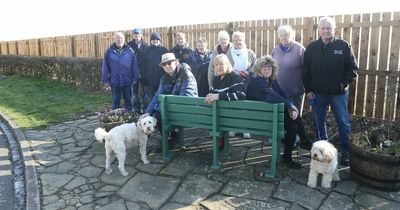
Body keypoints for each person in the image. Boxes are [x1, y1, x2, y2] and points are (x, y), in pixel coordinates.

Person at [302, 16, 358, 166]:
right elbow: (305, 71)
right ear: (319, 30)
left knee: (343, 123)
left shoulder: (343, 46)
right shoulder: (312, 48)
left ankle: (346, 153)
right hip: (318, 94)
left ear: (335, 29)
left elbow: (352, 69)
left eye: (329, 28)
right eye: (323, 28)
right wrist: (308, 90)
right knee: (319, 123)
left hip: (338, 95)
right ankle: (323, 153)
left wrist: (343, 84)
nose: (326, 30)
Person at [247, 55, 312, 169]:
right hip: (260, 120)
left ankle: (287, 156)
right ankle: (305, 141)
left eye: (269, 67)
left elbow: (282, 93)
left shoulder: (271, 80)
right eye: (264, 67)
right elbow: (270, 96)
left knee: (293, 127)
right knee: (294, 122)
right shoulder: (255, 81)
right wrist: (290, 105)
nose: (267, 69)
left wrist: (290, 107)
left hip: (269, 115)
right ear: (258, 69)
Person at [141, 53, 198, 132]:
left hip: (188, 109)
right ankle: (171, 138)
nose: (167, 66)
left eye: (169, 63)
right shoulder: (164, 78)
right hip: (173, 108)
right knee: (154, 117)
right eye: (164, 64)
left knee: (160, 116)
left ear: (176, 62)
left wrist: (164, 107)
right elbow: (158, 95)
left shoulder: (186, 74)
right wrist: (148, 112)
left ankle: (171, 139)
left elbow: (185, 98)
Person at [271, 25, 307, 147]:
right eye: (281, 35)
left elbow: (306, 69)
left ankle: (295, 140)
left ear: (291, 35)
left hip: (294, 90)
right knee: (282, 116)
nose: (283, 37)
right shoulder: (275, 50)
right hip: (279, 91)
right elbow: (271, 67)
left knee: (294, 116)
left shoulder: (300, 49)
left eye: (286, 35)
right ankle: (283, 136)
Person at [205, 54, 246, 149]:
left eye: (221, 64)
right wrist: (209, 96)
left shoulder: (235, 76)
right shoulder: (216, 79)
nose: (219, 67)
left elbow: (241, 95)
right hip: (221, 115)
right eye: (216, 65)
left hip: (234, 115)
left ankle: (220, 140)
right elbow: (213, 93)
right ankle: (220, 140)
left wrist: (219, 96)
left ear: (227, 64)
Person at [225, 31, 256, 138]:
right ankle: (233, 128)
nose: (238, 42)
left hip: (247, 84)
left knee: (245, 106)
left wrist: (248, 73)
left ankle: (245, 129)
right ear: (232, 41)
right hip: (232, 83)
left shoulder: (250, 53)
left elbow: (255, 68)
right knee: (233, 106)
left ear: (243, 41)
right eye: (235, 40)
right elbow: (226, 69)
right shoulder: (228, 54)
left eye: (240, 40)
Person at [102, 32, 139, 111]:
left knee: (128, 101)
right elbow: (105, 66)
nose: (119, 40)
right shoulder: (109, 51)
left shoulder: (130, 51)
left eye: (121, 38)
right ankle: (117, 120)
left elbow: (134, 65)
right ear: (114, 39)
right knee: (116, 101)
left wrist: (135, 77)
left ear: (124, 39)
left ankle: (128, 118)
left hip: (127, 81)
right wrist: (106, 80)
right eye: (117, 38)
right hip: (115, 81)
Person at [141, 32, 168, 110]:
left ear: (159, 40)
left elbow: (168, 64)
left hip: (162, 80)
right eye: (153, 39)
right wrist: (143, 78)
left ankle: (161, 114)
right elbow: (143, 65)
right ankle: (150, 114)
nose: (155, 40)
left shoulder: (164, 50)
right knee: (151, 99)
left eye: (157, 39)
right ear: (150, 41)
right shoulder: (146, 51)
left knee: (161, 98)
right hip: (150, 81)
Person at [128, 28, 149, 113]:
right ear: (133, 35)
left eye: (138, 34)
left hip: (144, 73)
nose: (137, 36)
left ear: (141, 35)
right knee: (134, 93)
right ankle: (136, 109)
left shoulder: (146, 46)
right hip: (133, 73)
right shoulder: (129, 45)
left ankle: (145, 109)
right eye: (135, 34)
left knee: (145, 93)